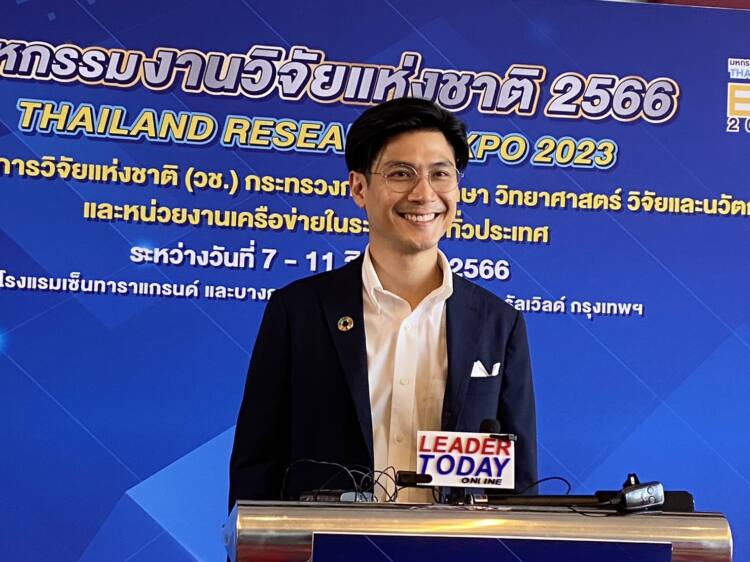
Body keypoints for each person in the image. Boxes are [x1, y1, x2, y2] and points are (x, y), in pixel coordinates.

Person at [229, 97, 537, 507]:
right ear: (359, 188)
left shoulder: (498, 323)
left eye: (440, 174)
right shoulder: (299, 311)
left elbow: (518, 484)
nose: (424, 194)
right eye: (401, 174)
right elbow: (256, 465)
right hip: (331, 540)